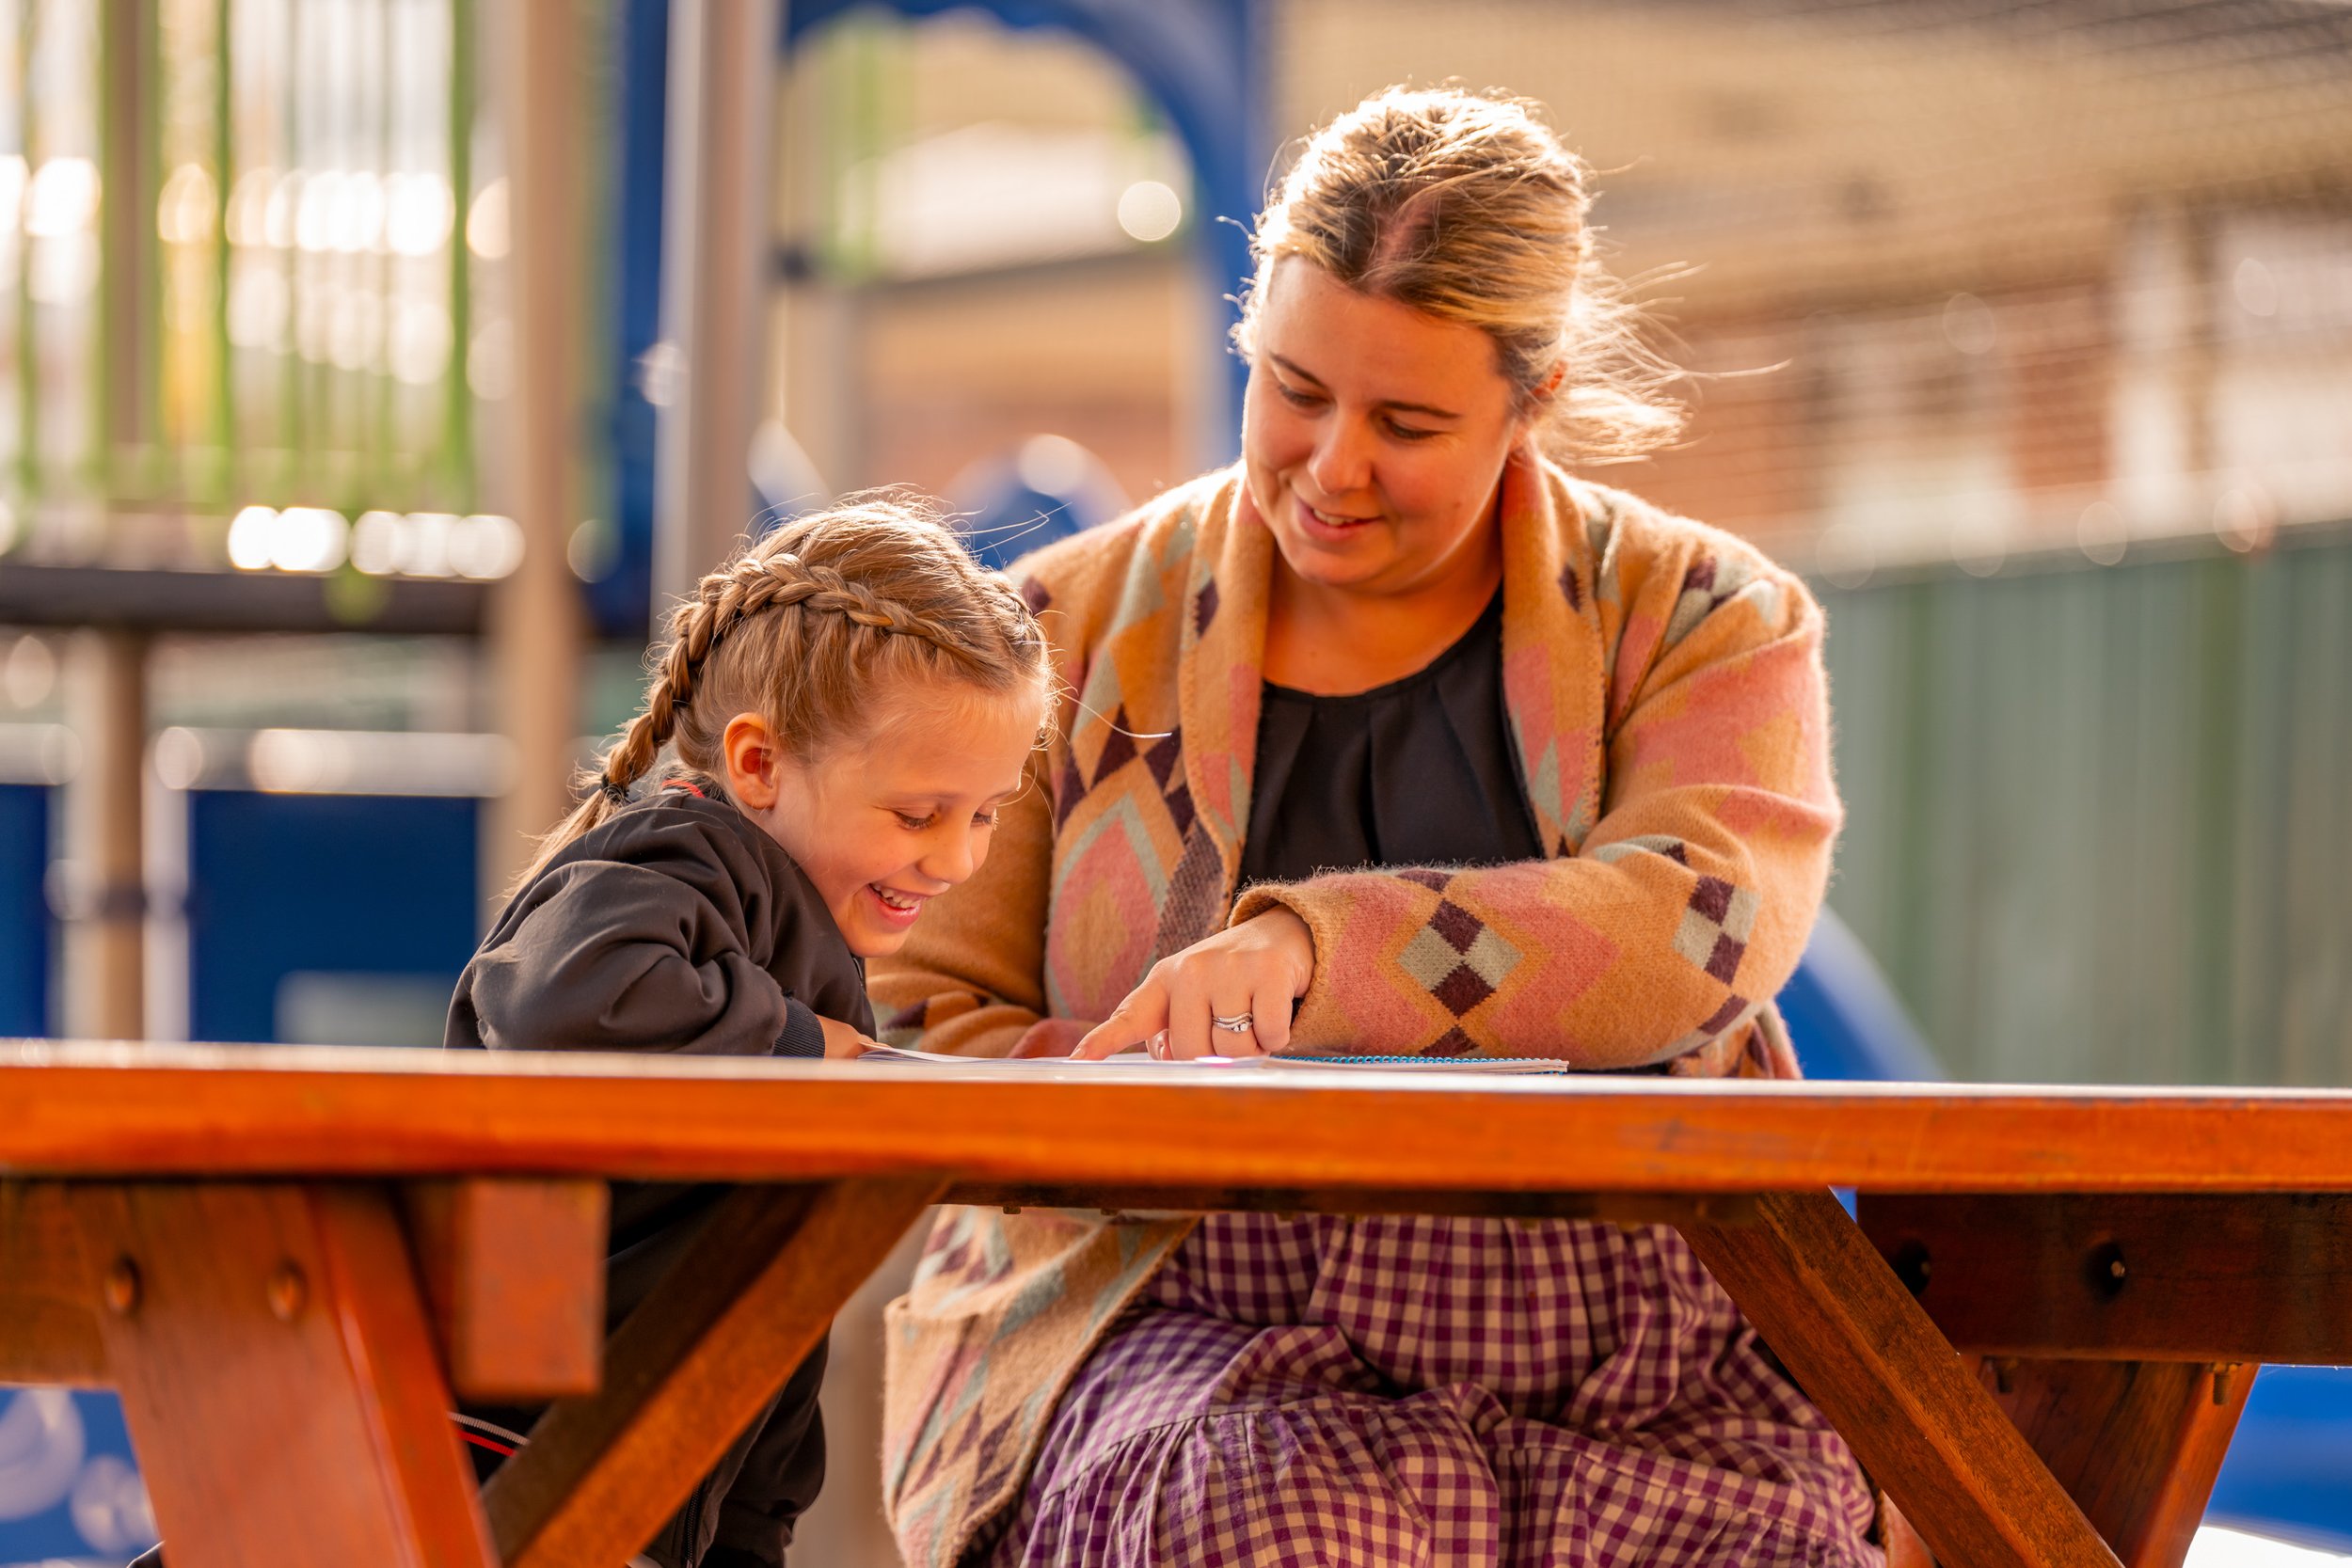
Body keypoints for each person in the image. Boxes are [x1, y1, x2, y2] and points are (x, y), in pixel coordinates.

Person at [870, 87, 1873, 1567]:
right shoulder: (1058, 636)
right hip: (1169, 1309)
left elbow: (1705, 926)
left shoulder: (1714, 619)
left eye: (1407, 422)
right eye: (1294, 390)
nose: (1333, 466)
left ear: (1532, 400)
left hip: (1634, 1355)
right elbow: (914, 1013)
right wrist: (1136, 1088)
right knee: (1276, 1518)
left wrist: (1307, 954)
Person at [445, 498, 1051, 1568]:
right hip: (503, 1456)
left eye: (987, 811)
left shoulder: (784, 919)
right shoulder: (680, 856)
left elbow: (766, 1278)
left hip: (648, 1479)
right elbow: (567, 994)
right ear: (760, 763)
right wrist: (812, 1049)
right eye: (918, 814)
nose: (957, 859)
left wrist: (760, 1520)